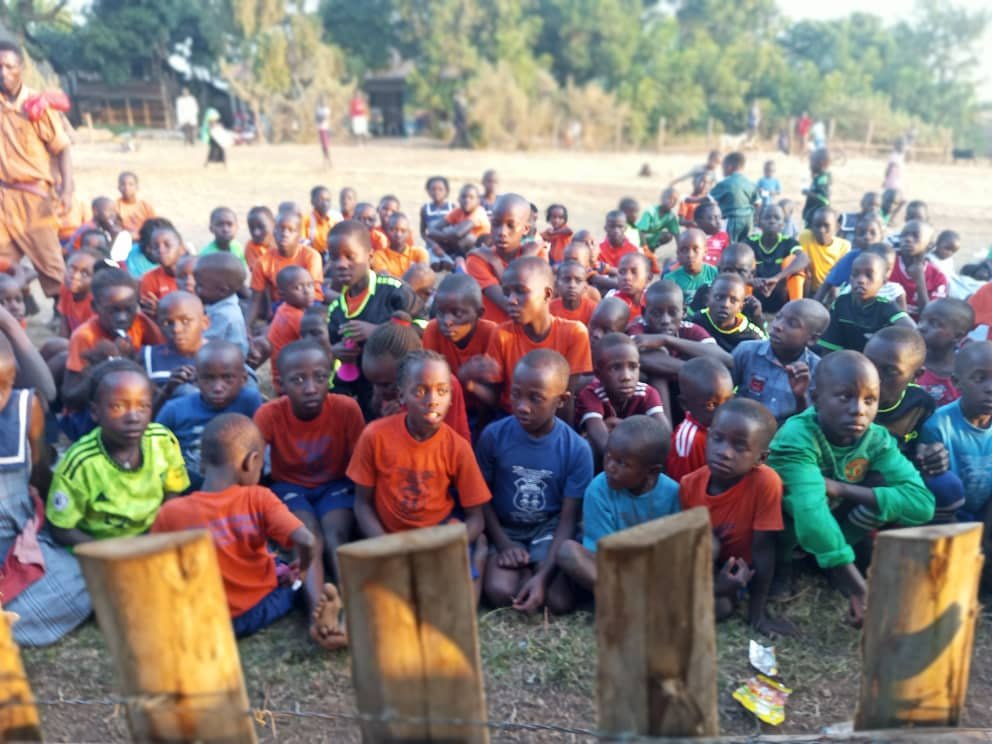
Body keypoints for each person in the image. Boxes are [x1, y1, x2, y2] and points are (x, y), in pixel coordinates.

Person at [767, 351, 934, 623]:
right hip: (791, 521)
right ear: (816, 398)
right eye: (845, 397)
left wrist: (842, 489)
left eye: (869, 400)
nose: (859, 410)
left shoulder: (877, 439)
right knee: (785, 500)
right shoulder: (796, 437)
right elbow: (811, 515)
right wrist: (859, 587)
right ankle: (785, 563)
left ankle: (831, 560)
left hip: (836, 513)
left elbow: (921, 504)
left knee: (878, 493)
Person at [150, 413, 331, 643]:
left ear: (202, 463)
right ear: (251, 461)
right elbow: (306, 540)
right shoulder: (259, 499)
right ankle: (317, 607)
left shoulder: (170, 513)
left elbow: (155, 568)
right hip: (254, 611)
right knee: (290, 582)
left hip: (203, 617)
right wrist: (302, 568)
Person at [347, 351, 491, 597]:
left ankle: (478, 554)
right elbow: (362, 504)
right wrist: (386, 546)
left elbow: (476, 517)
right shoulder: (375, 436)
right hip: (390, 536)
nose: (433, 400)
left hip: (437, 535)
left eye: (442, 391)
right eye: (421, 391)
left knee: (452, 599)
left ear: (451, 397)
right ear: (401, 394)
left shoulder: (457, 447)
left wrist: (447, 545)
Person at [477, 350, 593, 613]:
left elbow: (568, 520)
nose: (522, 406)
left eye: (535, 398)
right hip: (507, 529)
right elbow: (481, 498)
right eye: (516, 394)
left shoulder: (576, 449)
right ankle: (524, 568)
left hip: (548, 530)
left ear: (561, 400)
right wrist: (503, 543)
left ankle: (535, 571)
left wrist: (543, 577)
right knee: (500, 591)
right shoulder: (494, 436)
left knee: (558, 601)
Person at [0, 332, 92, 647]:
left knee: (79, 578)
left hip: (13, 538)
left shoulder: (25, 409)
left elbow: (40, 474)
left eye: (4, 386)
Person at [255, 340, 364, 599]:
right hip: (290, 487)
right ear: (280, 383)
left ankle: (355, 605)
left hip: (335, 485)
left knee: (336, 534)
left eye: (320, 377)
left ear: (330, 378)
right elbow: (252, 463)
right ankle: (318, 610)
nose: (311, 388)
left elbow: (361, 464)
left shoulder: (346, 409)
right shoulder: (269, 415)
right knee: (307, 537)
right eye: (298, 380)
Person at [679, 399, 794, 634]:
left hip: (741, 569)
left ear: (761, 458)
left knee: (722, 608)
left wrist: (757, 615)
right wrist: (714, 582)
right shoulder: (689, 485)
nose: (724, 453)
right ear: (708, 436)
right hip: (708, 566)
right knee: (709, 545)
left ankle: (719, 591)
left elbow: (763, 548)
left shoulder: (765, 482)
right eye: (717, 439)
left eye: (740, 447)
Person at [48, 360, 189, 545]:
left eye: (143, 406)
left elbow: (173, 493)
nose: (133, 417)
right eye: (118, 407)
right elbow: (62, 528)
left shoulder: (163, 441)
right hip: (99, 546)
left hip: (153, 538)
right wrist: (113, 551)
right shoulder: (80, 463)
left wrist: (158, 536)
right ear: (95, 412)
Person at [556, 416, 681, 590]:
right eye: (608, 456)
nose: (610, 467)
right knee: (568, 552)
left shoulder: (673, 494)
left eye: (622, 463)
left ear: (652, 471)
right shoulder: (598, 490)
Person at [0, 41, 74, 315]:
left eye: (9, 66)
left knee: (50, 260)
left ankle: (63, 313)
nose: (3, 73)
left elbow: (62, 148)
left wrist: (67, 189)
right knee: (2, 260)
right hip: (2, 194)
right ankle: (20, 304)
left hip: (35, 196)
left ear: (21, 69)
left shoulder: (37, 105)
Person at [468, 257, 592, 415]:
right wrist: (470, 384)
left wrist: (563, 431)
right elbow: (495, 398)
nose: (511, 300)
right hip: (512, 416)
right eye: (507, 293)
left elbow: (565, 400)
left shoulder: (574, 333)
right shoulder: (501, 334)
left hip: (552, 420)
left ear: (547, 294)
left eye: (521, 291)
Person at [326, 220, 420, 413]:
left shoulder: (393, 290)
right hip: (365, 398)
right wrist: (336, 353)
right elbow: (335, 368)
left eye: (350, 256)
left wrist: (378, 332)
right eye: (334, 258)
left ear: (369, 256)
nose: (341, 264)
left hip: (404, 394)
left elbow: (425, 327)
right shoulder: (336, 311)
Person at [156, 340, 262, 488]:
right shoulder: (175, 410)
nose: (218, 387)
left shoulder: (250, 402)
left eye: (227, 378)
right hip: (187, 485)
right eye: (208, 378)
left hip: (237, 484)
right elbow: (154, 448)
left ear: (243, 379)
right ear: (196, 380)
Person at [61, 268, 165, 410]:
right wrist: (111, 362)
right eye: (113, 311)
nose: (122, 318)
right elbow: (69, 397)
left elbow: (162, 364)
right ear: (95, 307)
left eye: (129, 309)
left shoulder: (142, 324)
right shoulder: (85, 336)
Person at [361, 313, 471, 441]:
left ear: (409, 372)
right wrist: (386, 422)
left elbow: (459, 438)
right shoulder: (386, 390)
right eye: (374, 383)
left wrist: (405, 420)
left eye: (386, 385)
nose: (378, 391)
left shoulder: (444, 385)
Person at [919, 342, 992, 530]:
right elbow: (937, 485)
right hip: (948, 514)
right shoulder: (938, 425)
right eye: (979, 378)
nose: (990, 388)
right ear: (957, 382)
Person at [576, 332, 668, 462]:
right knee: (589, 446)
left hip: (635, 459)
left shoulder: (647, 392)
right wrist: (643, 430)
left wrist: (621, 425)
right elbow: (603, 443)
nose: (626, 376)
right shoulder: (591, 394)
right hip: (609, 463)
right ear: (598, 374)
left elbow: (665, 434)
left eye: (632, 367)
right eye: (615, 368)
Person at [733, 299, 829, 423]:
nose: (777, 326)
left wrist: (801, 397)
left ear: (812, 339)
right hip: (742, 426)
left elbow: (810, 423)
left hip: (785, 433)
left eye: (792, 324)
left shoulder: (818, 371)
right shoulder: (747, 351)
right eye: (778, 317)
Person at [817, 253, 913, 354]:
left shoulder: (887, 307)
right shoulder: (841, 303)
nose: (861, 280)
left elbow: (912, 332)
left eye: (869, 275)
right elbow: (829, 348)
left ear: (883, 282)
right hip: (844, 359)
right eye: (855, 274)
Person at [862, 327, 935, 454]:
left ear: (916, 375)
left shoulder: (921, 405)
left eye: (890, 371)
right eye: (868, 363)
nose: (874, 376)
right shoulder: (842, 397)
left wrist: (933, 455)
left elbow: (923, 448)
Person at [246, 210, 323, 329]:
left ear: (299, 235)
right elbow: (254, 300)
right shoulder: (263, 261)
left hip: (310, 302)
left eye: (291, 230)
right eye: (280, 229)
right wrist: (246, 327)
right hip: (281, 305)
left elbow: (311, 292)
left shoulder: (311, 256)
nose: (285, 234)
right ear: (274, 232)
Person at [667, 357, 734, 482]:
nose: (723, 411)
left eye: (729, 400)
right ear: (684, 404)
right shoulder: (689, 441)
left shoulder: (730, 422)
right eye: (711, 405)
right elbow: (683, 485)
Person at [463, 193, 527, 323]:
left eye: (510, 225)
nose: (502, 232)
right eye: (496, 224)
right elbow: (510, 305)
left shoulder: (536, 255)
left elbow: (529, 307)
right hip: (493, 331)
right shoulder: (477, 259)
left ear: (525, 229)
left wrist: (497, 265)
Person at [423, 273, 498, 378]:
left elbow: (494, 385)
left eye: (457, 314)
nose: (447, 321)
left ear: (479, 313)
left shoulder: (491, 333)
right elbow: (430, 377)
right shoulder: (433, 329)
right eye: (440, 312)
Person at [143, 290, 210, 405]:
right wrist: (167, 389)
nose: (176, 329)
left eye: (185, 321)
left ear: (205, 323)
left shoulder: (222, 356)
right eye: (167, 323)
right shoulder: (148, 357)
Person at [259, 265, 316, 392]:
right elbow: (315, 346)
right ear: (281, 295)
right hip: (290, 381)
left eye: (310, 285)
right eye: (298, 288)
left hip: (285, 375)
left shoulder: (285, 308)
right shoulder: (296, 317)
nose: (307, 291)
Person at [814, 214, 886, 307]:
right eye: (861, 233)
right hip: (852, 306)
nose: (867, 237)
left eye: (873, 233)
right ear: (855, 238)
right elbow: (828, 283)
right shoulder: (850, 258)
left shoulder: (888, 257)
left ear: (881, 236)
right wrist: (814, 305)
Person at [746, 205, 806, 313]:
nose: (772, 221)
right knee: (744, 259)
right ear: (758, 222)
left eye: (777, 218)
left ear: (783, 224)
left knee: (794, 261)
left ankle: (796, 310)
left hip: (782, 296)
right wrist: (751, 281)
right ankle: (744, 309)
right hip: (755, 295)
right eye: (767, 217)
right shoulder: (750, 242)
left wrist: (776, 278)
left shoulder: (788, 242)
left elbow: (804, 258)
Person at [917, 298, 973, 407]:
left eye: (934, 324)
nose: (921, 327)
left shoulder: (963, 374)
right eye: (921, 320)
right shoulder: (908, 362)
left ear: (958, 336)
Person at [692, 273, 766, 354]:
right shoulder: (697, 321)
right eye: (719, 297)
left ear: (741, 307)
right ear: (707, 300)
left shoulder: (752, 336)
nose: (725, 304)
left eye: (733, 300)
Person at [195, 252, 249, 357]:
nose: (195, 288)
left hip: (228, 362)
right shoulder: (218, 302)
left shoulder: (223, 314)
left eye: (200, 285)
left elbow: (202, 343)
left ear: (222, 291)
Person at [890, 220, 946, 321]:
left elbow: (930, 316)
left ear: (930, 245)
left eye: (916, 236)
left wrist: (920, 281)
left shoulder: (938, 277)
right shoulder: (888, 265)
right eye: (904, 235)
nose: (908, 239)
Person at [795, 207, 849, 295]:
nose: (821, 230)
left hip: (830, 291)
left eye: (826, 226)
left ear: (837, 227)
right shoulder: (806, 237)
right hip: (808, 287)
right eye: (817, 226)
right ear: (811, 227)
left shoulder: (843, 246)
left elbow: (840, 274)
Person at [709, 152, 757, 243]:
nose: (722, 171)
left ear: (729, 167)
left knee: (730, 244)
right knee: (746, 244)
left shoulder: (724, 183)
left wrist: (691, 200)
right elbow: (757, 203)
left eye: (723, 168)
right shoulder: (750, 183)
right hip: (748, 220)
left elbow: (709, 199)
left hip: (732, 219)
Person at [138, 225, 185, 315]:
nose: (161, 250)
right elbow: (147, 312)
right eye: (156, 247)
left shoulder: (195, 273)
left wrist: (164, 310)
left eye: (167, 245)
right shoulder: (149, 279)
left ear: (182, 248)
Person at [667, 229, 718, 307]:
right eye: (684, 250)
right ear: (678, 254)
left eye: (696, 249)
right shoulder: (670, 280)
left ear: (705, 252)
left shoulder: (715, 274)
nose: (690, 255)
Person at [371, 212, 429, 279]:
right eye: (394, 230)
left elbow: (424, 277)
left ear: (409, 233)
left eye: (403, 231)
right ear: (386, 231)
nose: (398, 234)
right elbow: (387, 281)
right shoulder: (379, 256)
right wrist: (412, 273)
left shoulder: (419, 253)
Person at [57, 249, 99, 337]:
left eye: (85, 274)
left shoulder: (95, 304)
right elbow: (64, 321)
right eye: (72, 269)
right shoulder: (65, 288)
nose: (75, 276)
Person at [606, 252, 651, 321]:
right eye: (622, 272)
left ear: (648, 278)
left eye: (634, 272)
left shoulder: (654, 300)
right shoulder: (612, 298)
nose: (627, 277)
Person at [550, 260, 597, 327]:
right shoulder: (550, 309)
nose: (572, 285)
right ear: (557, 284)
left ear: (585, 286)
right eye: (566, 280)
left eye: (578, 280)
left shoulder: (593, 310)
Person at [421, 176, 456, 264]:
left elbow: (456, 231)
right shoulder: (425, 209)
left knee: (448, 264)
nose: (437, 192)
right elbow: (423, 233)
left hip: (450, 245)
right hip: (432, 246)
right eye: (433, 189)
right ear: (428, 191)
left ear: (446, 191)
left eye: (440, 189)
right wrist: (434, 246)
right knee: (434, 264)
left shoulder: (452, 208)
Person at [597, 210, 642, 276]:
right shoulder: (598, 250)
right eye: (612, 226)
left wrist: (609, 270)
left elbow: (634, 274)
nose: (616, 231)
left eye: (620, 227)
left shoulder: (633, 251)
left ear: (625, 228)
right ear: (605, 228)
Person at [301, 186, 339, 257]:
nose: (325, 203)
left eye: (328, 200)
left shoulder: (333, 221)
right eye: (321, 199)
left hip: (330, 256)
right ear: (312, 201)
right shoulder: (306, 219)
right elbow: (302, 242)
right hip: (311, 255)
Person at [115, 172, 155, 237]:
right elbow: (115, 228)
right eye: (123, 184)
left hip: (144, 237)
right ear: (118, 187)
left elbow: (154, 226)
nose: (126, 188)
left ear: (137, 187)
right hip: (125, 238)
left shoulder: (145, 206)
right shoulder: (115, 206)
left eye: (131, 184)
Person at [693, 201, 730, 267]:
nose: (718, 221)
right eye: (713, 218)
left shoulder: (724, 237)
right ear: (699, 222)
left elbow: (727, 256)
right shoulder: (692, 238)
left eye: (720, 217)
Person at [801, 148, 832, 227]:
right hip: (813, 218)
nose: (810, 165)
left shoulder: (824, 179)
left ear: (821, 163)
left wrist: (809, 193)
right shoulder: (819, 177)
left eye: (811, 162)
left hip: (817, 221)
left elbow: (825, 200)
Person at [244, 205, 275, 275]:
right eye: (252, 228)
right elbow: (259, 272)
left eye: (261, 227)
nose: (256, 233)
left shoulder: (283, 241)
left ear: (274, 224)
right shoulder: (250, 247)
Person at [315, 97, 331, 164]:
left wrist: (320, 119)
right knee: (323, 145)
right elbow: (316, 118)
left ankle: (328, 160)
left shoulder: (326, 109)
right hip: (320, 128)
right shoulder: (319, 109)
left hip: (325, 128)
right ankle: (325, 158)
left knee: (325, 145)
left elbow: (325, 117)